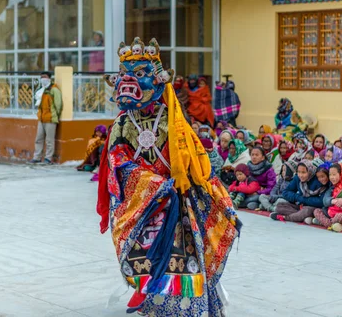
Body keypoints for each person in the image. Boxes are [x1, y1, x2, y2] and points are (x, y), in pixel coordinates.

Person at [97, 37, 240, 316]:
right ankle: (147, 298)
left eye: (140, 75)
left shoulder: (172, 119)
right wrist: (148, 184)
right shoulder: (123, 123)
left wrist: (186, 181)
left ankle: (188, 306)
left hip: (177, 199)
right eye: (127, 76)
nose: (130, 82)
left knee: (186, 254)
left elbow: (190, 155)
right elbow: (116, 158)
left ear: (159, 80)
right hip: (143, 202)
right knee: (141, 252)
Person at [30, 71, 62, 164]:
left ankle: (48, 158)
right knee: (38, 139)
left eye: (45, 77)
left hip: (50, 118)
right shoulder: (41, 89)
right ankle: (37, 157)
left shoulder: (54, 90)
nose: (43, 79)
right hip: (41, 118)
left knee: (49, 140)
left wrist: (54, 115)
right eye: (41, 77)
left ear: (49, 78)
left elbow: (58, 105)